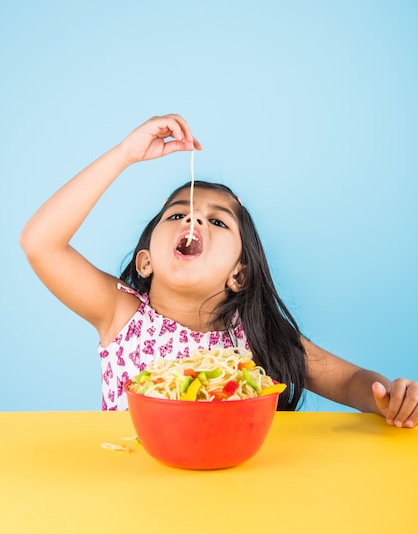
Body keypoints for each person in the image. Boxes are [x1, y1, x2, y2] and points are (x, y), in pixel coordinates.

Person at [20, 114, 418, 426]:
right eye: (177, 214)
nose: (192, 223)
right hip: (132, 496)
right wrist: (124, 155)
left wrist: (387, 399)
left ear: (239, 274)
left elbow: (350, 382)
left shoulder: (261, 336)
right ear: (146, 260)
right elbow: (40, 243)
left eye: (218, 222)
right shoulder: (120, 315)